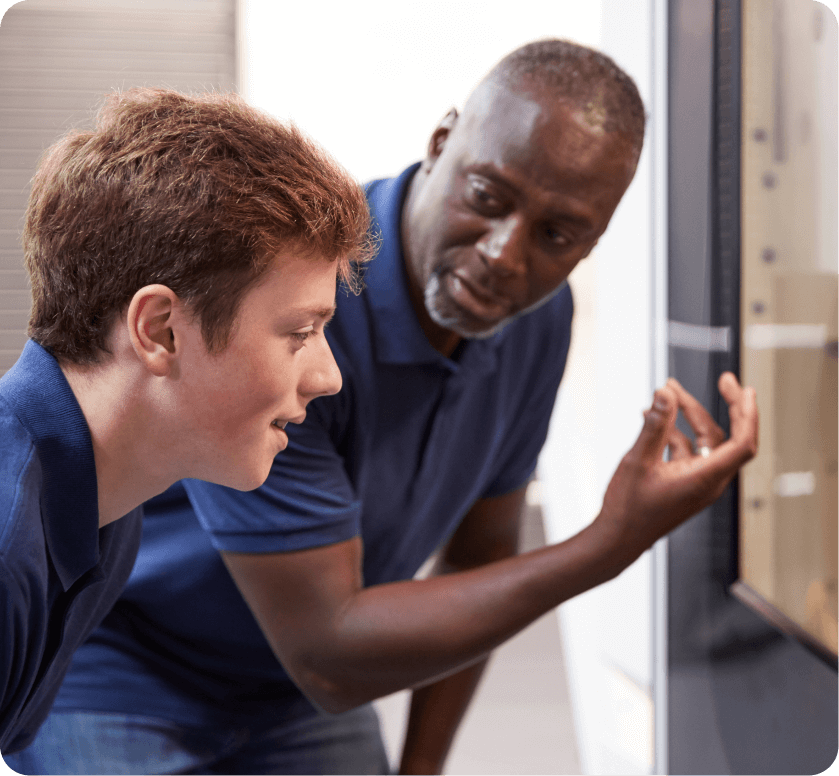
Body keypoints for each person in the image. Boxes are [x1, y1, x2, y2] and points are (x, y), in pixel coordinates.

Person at [6, 41, 758, 776]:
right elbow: (329, 653)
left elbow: (480, 554)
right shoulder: (279, 277)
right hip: (133, 666)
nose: (503, 254)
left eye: (558, 235)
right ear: (441, 142)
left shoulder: (532, 319)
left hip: (287, 692)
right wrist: (608, 543)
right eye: (303, 332)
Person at [0, 87, 371, 756]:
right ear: (161, 330)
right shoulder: (7, 542)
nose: (328, 377)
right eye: (300, 331)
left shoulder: (107, 505)